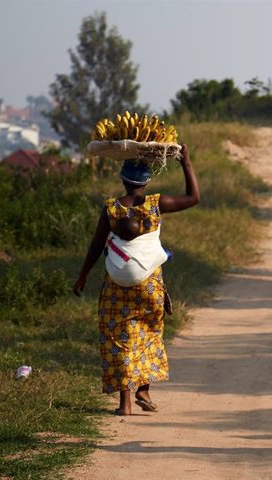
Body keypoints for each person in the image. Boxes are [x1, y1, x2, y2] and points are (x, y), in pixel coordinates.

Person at [73, 144, 200, 415]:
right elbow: (193, 198)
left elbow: (96, 245)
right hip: (149, 285)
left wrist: (83, 275)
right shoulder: (157, 204)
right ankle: (144, 389)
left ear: (122, 179)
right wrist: (185, 163)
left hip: (116, 286)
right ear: (147, 182)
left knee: (119, 338)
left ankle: (125, 403)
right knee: (149, 333)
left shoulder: (111, 209)